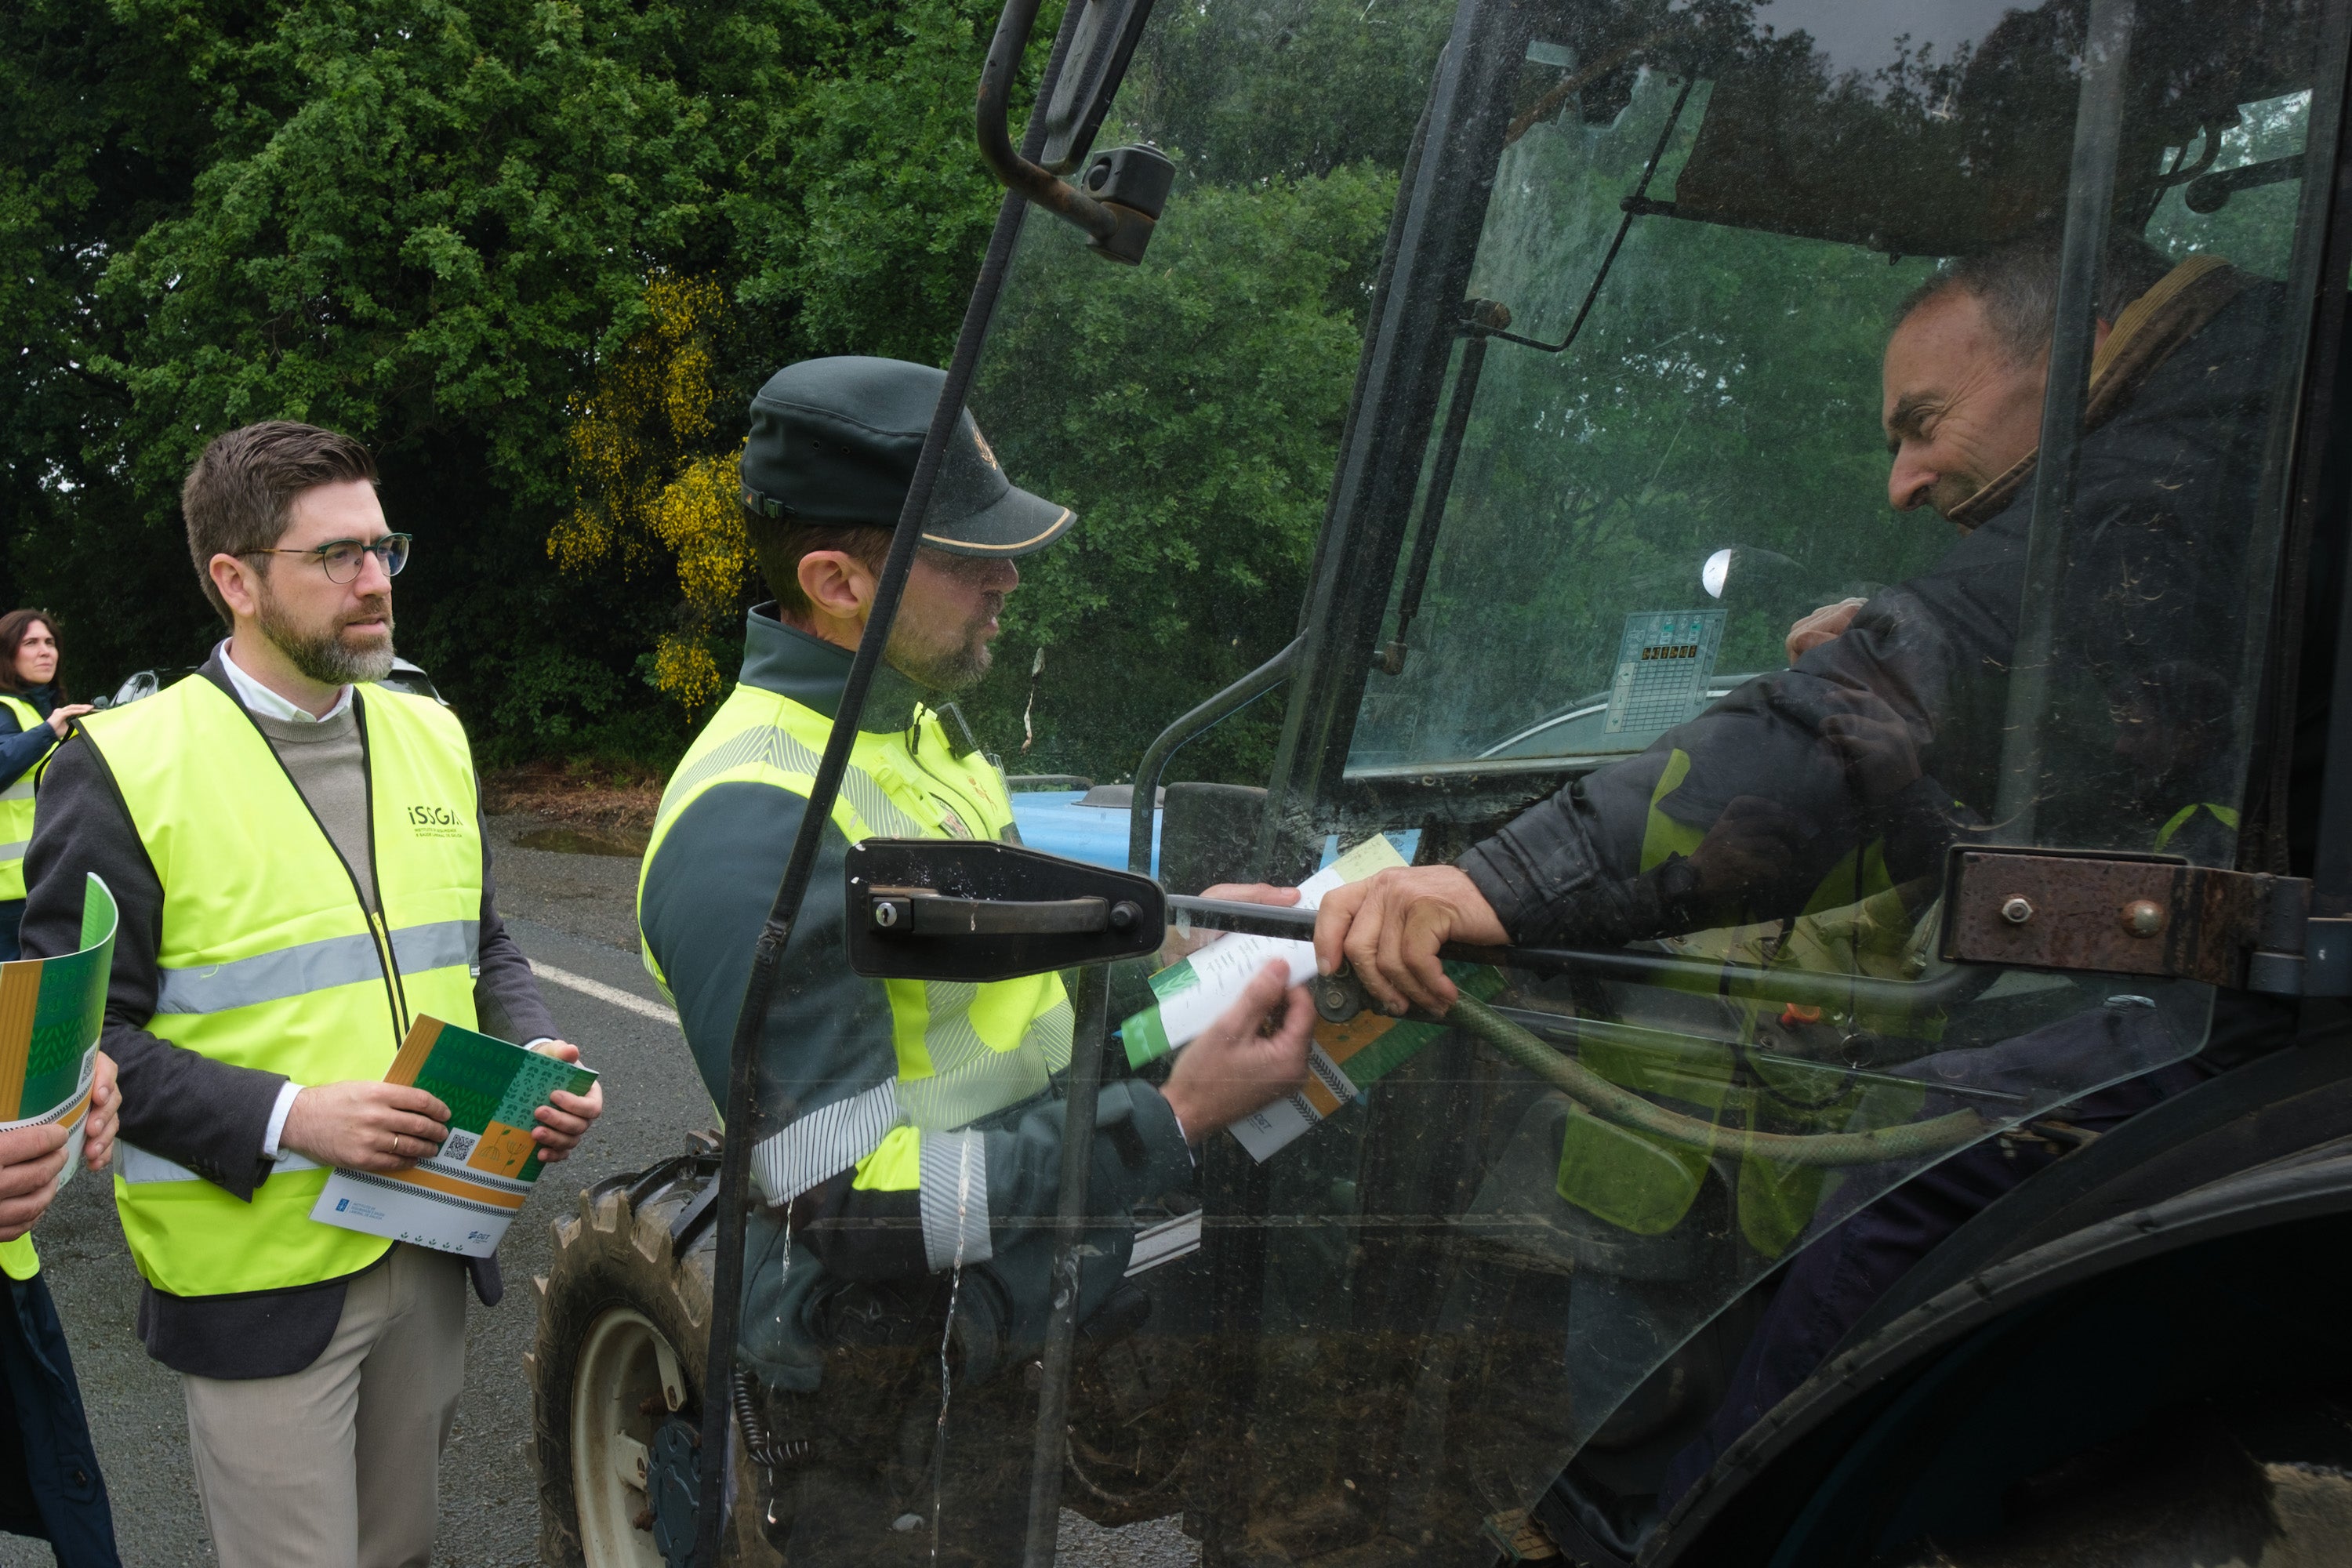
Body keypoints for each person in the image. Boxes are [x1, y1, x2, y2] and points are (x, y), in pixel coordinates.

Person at [1305, 229, 2292, 1526]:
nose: (1903, 479)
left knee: (1914, 1183)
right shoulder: (2239, 430)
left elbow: (1907, 697)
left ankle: (1721, 1531)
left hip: (2284, 991)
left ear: (2073, 355)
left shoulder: (2199, 450)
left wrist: (1495, 882)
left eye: (1925, 424)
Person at [636, 356, 1317, 1561]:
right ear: (836, 580)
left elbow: (1016, 1029)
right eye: (968, 557)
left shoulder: (927, 740)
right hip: (871, 1388)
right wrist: (1171, 1118)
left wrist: (1197, 946)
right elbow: (854, 1204)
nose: (1009, 583)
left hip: (983, 1336)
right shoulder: (754, 823)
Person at [18, 420, 605, 1568]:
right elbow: (77, 1040)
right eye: (335, 556)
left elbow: (485, 947)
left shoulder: (430, 730)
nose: (376, 580)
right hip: (257, 1275)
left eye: (383, 547)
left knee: (402, 1550)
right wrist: (296, 1117)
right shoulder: (128, 763)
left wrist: (538, 1053)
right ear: (233, 580)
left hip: (435, 1236)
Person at [0, 612, 94, 963]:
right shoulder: (7, 710)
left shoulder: (42, 713)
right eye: (31, 643)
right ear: (7, 654)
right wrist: (48, 732)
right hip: (8, 898)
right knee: (15, 1007)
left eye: (50, 643)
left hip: (45, 882)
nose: (45, 652)